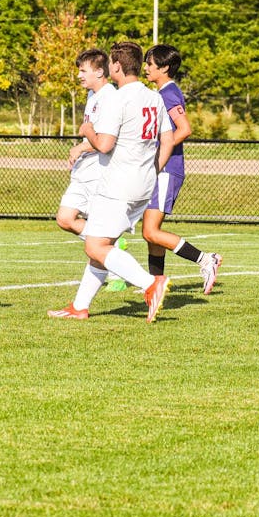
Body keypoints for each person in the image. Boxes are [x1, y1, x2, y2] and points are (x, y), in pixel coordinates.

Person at [48, 41, 175, 322]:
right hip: (143, 185)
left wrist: (87, 131)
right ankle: (80, 306)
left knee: (95, 246)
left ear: (116, 66)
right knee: (100, 246)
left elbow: (103, 144)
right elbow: (167, 139)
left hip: (117, 184)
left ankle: (150, 283)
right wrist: (154, 169)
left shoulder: (117, 99)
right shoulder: (154, 97)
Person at [141, 44, 223, 294]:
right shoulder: (161, 93)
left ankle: (205, 259)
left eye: (149, 64)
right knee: (150, 232)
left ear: (164, 68)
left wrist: (160, 152)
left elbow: (184, 129)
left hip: (167, 169)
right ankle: (157, 283)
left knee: (151, 230)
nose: (145, 68)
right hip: (159, 169)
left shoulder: (169, 93)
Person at [56, 48, 115, 238]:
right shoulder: (92, 95)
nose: (78, 75)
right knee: (65, 218)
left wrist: (81, 147)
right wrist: (80, 151)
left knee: (100, 224)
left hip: (100, 170)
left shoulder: (110, 97)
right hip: (85, 169)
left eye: (83, 71)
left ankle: (107, 248)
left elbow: (109, 138)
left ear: (99, 72)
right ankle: (110, 246)